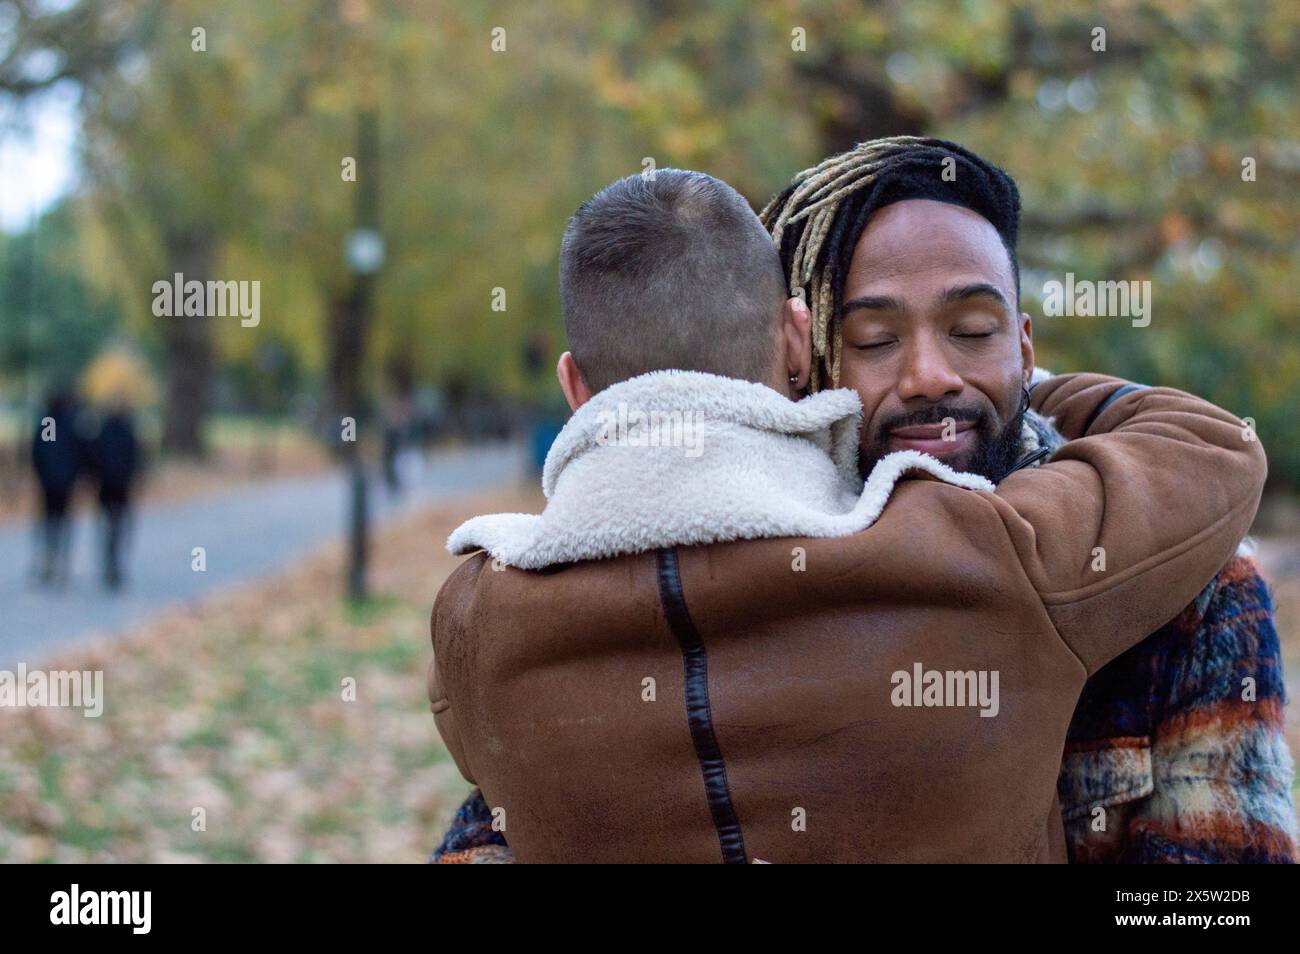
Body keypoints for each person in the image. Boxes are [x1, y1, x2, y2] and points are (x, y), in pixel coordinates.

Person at [427, 168, 1266, 862]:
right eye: (873, 340)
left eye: (976, 330)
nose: (931, 375)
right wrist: (1029, 386)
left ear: (576, 388)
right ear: (803, 350)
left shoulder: (483, 620)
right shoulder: (995, 558)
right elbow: (1211, 444)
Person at [30, 389, 84, 586]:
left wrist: (44, 475)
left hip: (51, 484)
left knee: (50, 525)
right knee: (60, 525)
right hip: (63, 483)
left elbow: (41, 451)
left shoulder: (51, 423)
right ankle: (59, 565)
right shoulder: (69, 423)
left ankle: (50, 564)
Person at [91, 402, 139, 591]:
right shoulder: (127, 433)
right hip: (120, 489)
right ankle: (114, 566)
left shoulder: (103, 433)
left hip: (108, 488)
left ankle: (110, 565)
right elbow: (135, 460)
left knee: (110, 529)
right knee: (117, 529)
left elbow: (94, 458)